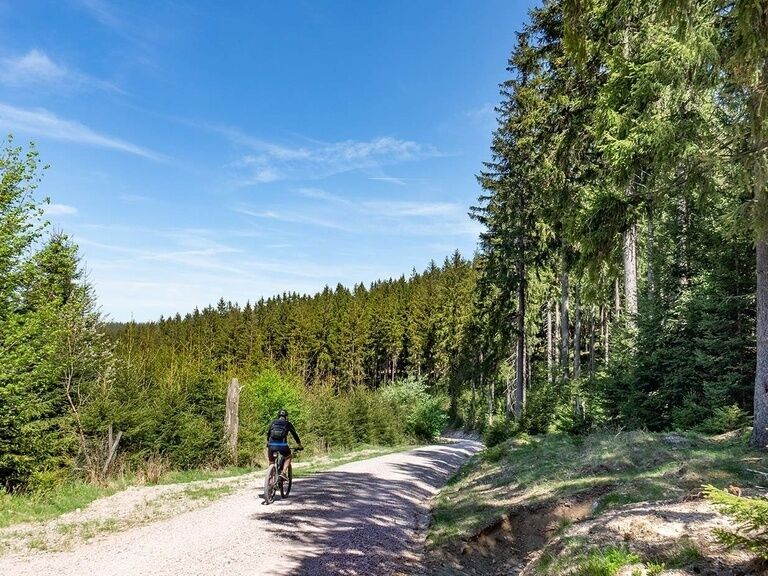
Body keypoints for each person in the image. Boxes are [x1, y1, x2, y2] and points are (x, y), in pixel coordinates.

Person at [266, 409, 303, 479]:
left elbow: (268, 433)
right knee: (288, 456)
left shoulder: (273, 422)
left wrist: (268, 442)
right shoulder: (288, 423)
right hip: (282, 445)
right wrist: (299, 445)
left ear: (278, 416)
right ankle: (283, 473)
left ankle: (270, 479)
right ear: (286, 416)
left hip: (271, 444)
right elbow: (295, 435)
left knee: (271, 461)